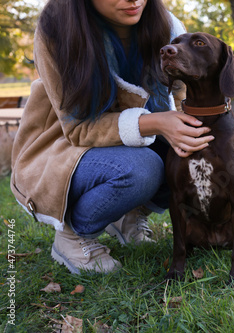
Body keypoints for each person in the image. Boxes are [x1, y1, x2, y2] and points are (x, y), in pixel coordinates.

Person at [10, 0, 214, 274]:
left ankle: (129, 214)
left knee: (191, 154)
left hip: (131, 138)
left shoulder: (167, 27)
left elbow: (178, 95)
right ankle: (72, 235)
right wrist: (156, 122)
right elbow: (78, 129)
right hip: (63, 146)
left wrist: (190, 132)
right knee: (142, 169)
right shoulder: (59, 29)